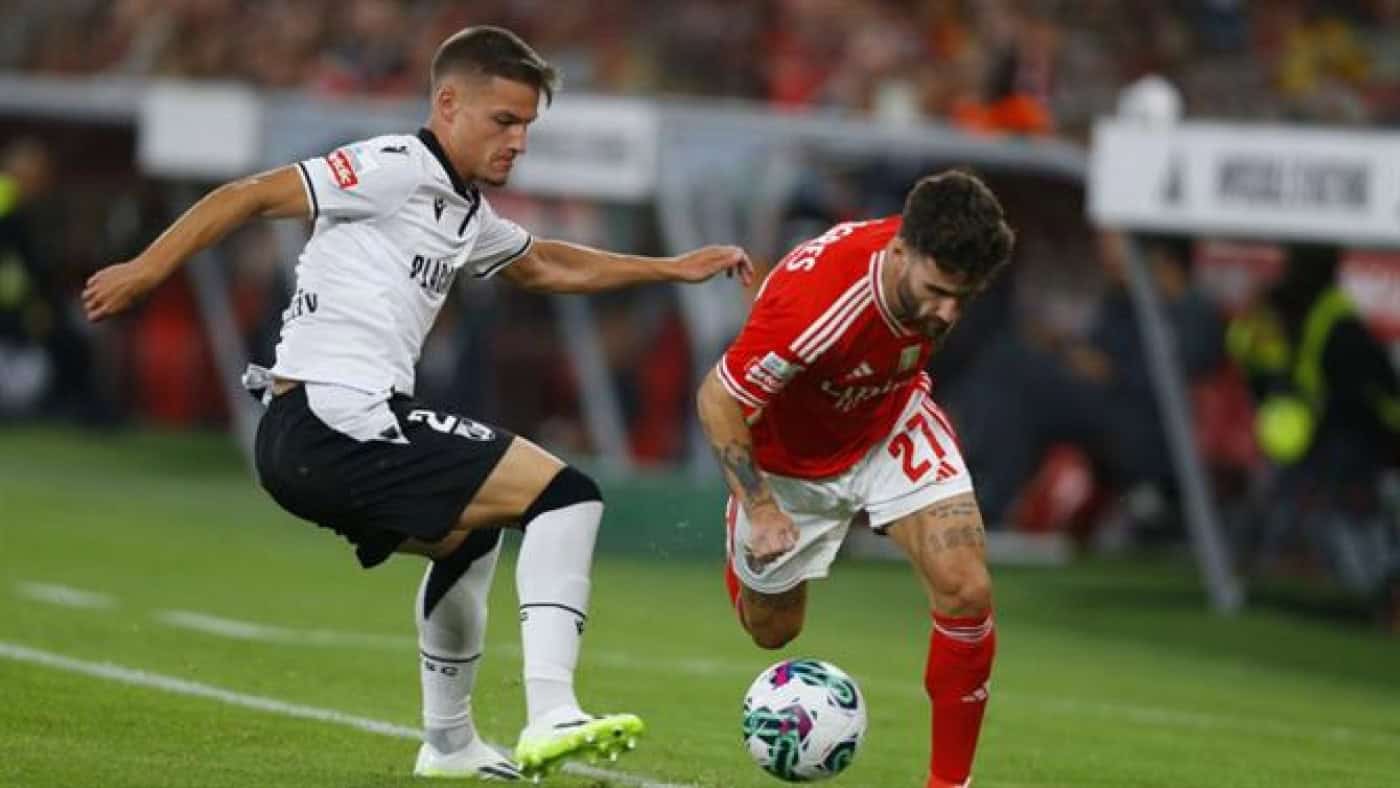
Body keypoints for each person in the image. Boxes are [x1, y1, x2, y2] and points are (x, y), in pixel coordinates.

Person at [83, 26, 753, 781]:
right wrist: (144, 270)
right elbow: (247, 195)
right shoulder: (392, 166)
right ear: (448, 103)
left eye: (528, 126)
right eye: (504, 121)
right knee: (567, 496)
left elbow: (546, 263)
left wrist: (670, 267)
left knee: (471, 538)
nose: (518, 142)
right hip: (334, 417)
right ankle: (552, 711)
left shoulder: (463, 210)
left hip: (315, 436)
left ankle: (449, 744)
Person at [696, 171, 1014, 788]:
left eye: (963, 297)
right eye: (938, 291)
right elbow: (717, 399)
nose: (948, 312)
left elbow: (921, 325)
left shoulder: (933, 267)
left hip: (889, 421)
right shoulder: (815, 304)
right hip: (787, 467)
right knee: (773, 633)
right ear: (900, 251)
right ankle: (745, 550)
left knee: (966, 589)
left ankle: (950, 783)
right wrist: (760, 507)